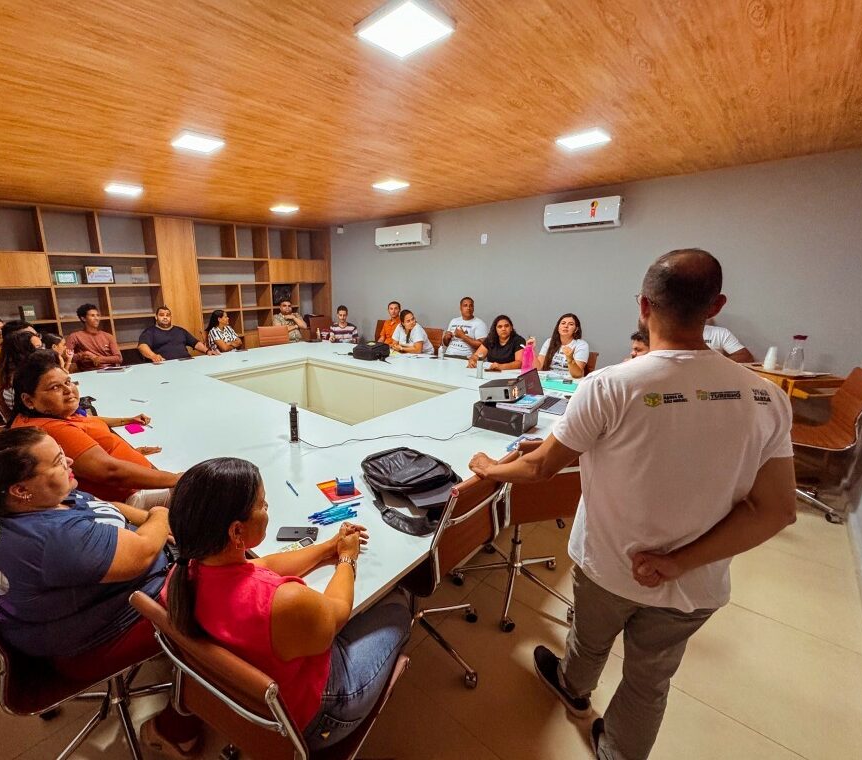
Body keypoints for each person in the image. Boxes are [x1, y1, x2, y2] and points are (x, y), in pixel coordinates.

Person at [468, 248, 795, 760]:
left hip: (610, 564)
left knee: (589, 640)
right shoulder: (766, 397)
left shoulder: (610, 385)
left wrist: (490, 468)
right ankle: (617, 750)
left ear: (643, 305)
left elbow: (540, 468)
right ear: (716, 307)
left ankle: (573, 689)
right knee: (651, 680)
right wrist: (678, 562)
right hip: (695, 581)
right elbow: (776, 509)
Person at [0, 427, 204, 755]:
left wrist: (157, 527)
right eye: (57, 461)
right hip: (89, 649)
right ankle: (172, 729)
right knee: (217, 611)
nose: (69, 461)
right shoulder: (50, 539)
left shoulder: (38, 502)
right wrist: (161, 516)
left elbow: (108, 507)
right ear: (21, 489)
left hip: (99, 603)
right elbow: (139, 555)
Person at [165, 457, 412, 751]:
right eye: (261, 504)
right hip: (319, 711)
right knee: (398, 605)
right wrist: (347, 558)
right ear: (236, 532)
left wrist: (326, 549)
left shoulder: (184, 574)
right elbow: (336, 611)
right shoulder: (284, 603)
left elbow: (263, 566)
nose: (267, 508)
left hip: (243, 701)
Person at [10, 352, 179, 507]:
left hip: (137, 483)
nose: (68, 390)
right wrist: (176, 479)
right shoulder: (51, 431)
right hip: (131, 496)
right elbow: (111, 472)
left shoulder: (52, 415)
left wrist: (128, 427)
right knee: (194, 487)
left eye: (68, 382)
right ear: (29, 400)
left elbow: (88, 422)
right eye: (55, 387)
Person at [138, 305, 216, 362]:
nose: (165, 317)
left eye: (168, 315)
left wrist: (207, 351)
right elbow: (142, 346)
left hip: (186, 362)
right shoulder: (150, 332)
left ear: (171, 317)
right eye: (161, 315)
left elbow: (195, 343)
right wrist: (153, 356)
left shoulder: (180, 330)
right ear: (156, 317)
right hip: (165, 364)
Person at [66, 304, 122, 371]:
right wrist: (82, 354)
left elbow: (119, 358)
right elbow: (66, 357)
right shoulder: (74, 336)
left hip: (110, 370)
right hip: (89, 372)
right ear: (83, 318)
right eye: (92, 315)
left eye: (97, 315)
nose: (97, 318)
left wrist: (97, 358)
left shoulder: (108, 336)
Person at [0, 330, 42, 409]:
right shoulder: (23, 379)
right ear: (22, 354)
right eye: (39, 348)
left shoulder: (23, 373)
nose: (46, 351)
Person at [537, 313, 591, 378]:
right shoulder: (549, 342)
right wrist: (531, 350)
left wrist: (570, 358)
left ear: (576, 329)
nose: (566, 326)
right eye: (563, 323)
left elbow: (577, 374)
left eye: (571, 324)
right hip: (549, 379)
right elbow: (538, 367)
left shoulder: (581, 345)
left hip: (570, 381)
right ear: (558, 327)